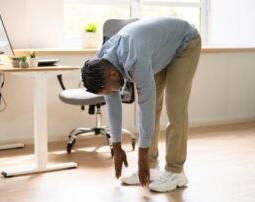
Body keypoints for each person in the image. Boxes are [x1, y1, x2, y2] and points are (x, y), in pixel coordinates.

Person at [81, 17, 201, 192]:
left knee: (175, 107)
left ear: (114, 74)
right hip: (158, 48)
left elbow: (145, 106)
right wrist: (116, 145)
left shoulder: (135, 59)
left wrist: (141, 154)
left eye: (108, 90)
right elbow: (114, 104)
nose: (110, 94)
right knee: (154, 110)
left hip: (184, 42)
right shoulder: (101, 63)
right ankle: (151, 167)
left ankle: (176, 171)